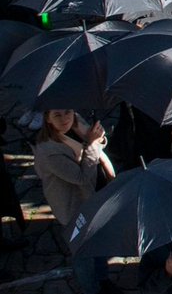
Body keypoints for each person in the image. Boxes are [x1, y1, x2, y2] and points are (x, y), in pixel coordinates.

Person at [34, 110, 117, 294]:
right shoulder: (49, 151)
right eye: (57, 115)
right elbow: (81, 178)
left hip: (96, 197)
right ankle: (92, 289)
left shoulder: (76, 122)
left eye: (67, 113)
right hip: (74, 208)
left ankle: (103, 279)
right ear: (47, 118)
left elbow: (101, 143)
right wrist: (93, 144)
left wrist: (98, 138)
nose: (64, 119)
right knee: (83, 254)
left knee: (99, 241)